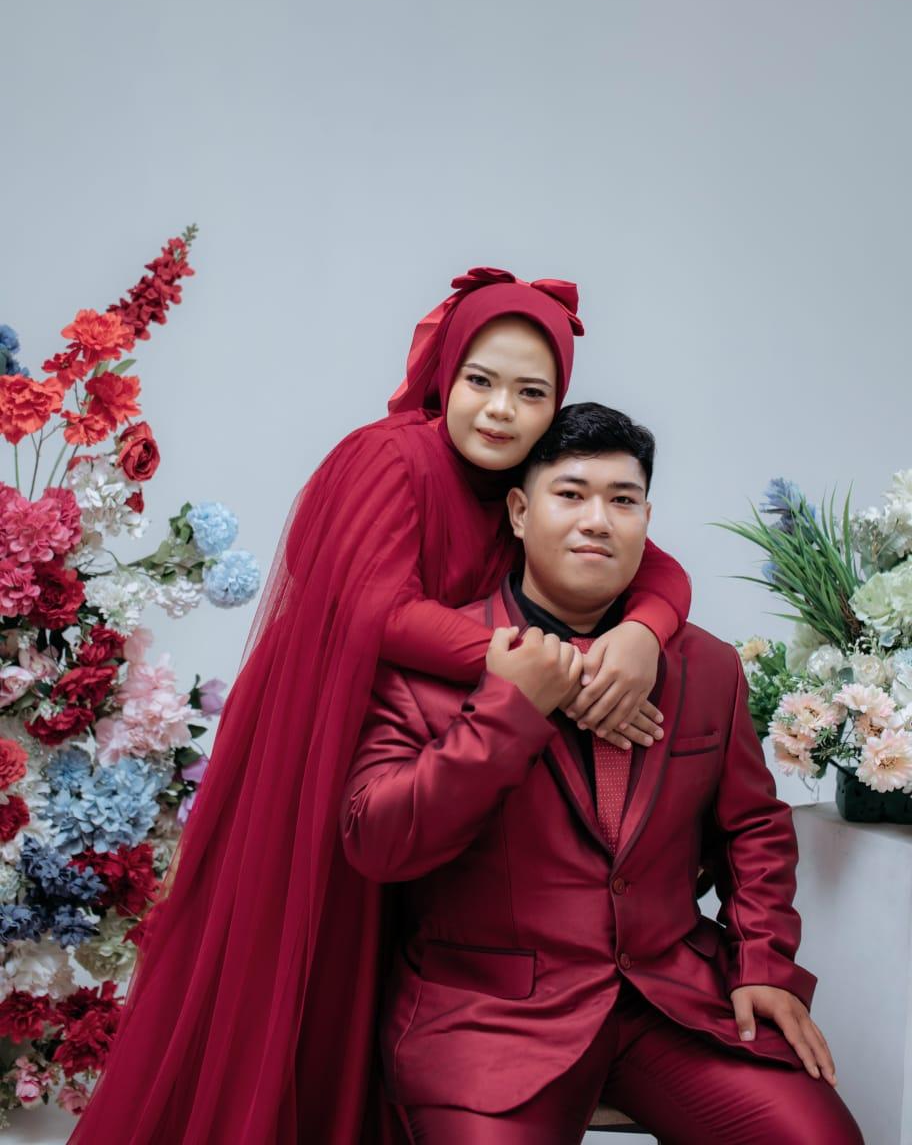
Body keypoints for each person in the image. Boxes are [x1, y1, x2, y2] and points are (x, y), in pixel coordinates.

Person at [70, 270, 690, 1145]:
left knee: (390, 993)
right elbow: (378, 613)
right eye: (480, 380)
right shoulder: (389, 458)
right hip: (323, 754)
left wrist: (644, 635)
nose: (501, 411)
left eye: (531, 392)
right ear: (444, 373)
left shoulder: (529, 485)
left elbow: (659, 567)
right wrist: (541, 668)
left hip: (434, 758)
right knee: (295, 989)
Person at [341, 403, 864, 1145]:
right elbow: (377, 841)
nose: (598, 520)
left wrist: (763, 964)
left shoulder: (706, 665)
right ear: (519, 512)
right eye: (571, 494)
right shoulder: (428, 666)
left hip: (671, 1005)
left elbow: (753, 828)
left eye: (622, 500)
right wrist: (510, 709)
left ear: (646, 519)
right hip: (490, 1021)